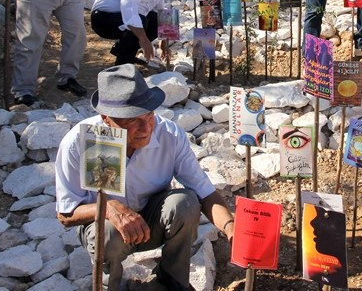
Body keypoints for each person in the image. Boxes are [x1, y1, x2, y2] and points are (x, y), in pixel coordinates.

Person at [55, 65, 235, 291]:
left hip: (152, 221)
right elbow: (65, 213)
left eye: (149, 115)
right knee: (108, 233)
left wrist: (230, 228)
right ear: (106, 119)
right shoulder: (79, 143)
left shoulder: (169, 134)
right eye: (132, 120)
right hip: (108, 232)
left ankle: (171, 282)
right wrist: (108, 208)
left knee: (185, 203)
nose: (146, 128)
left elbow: (205, 192)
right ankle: (111, 285)